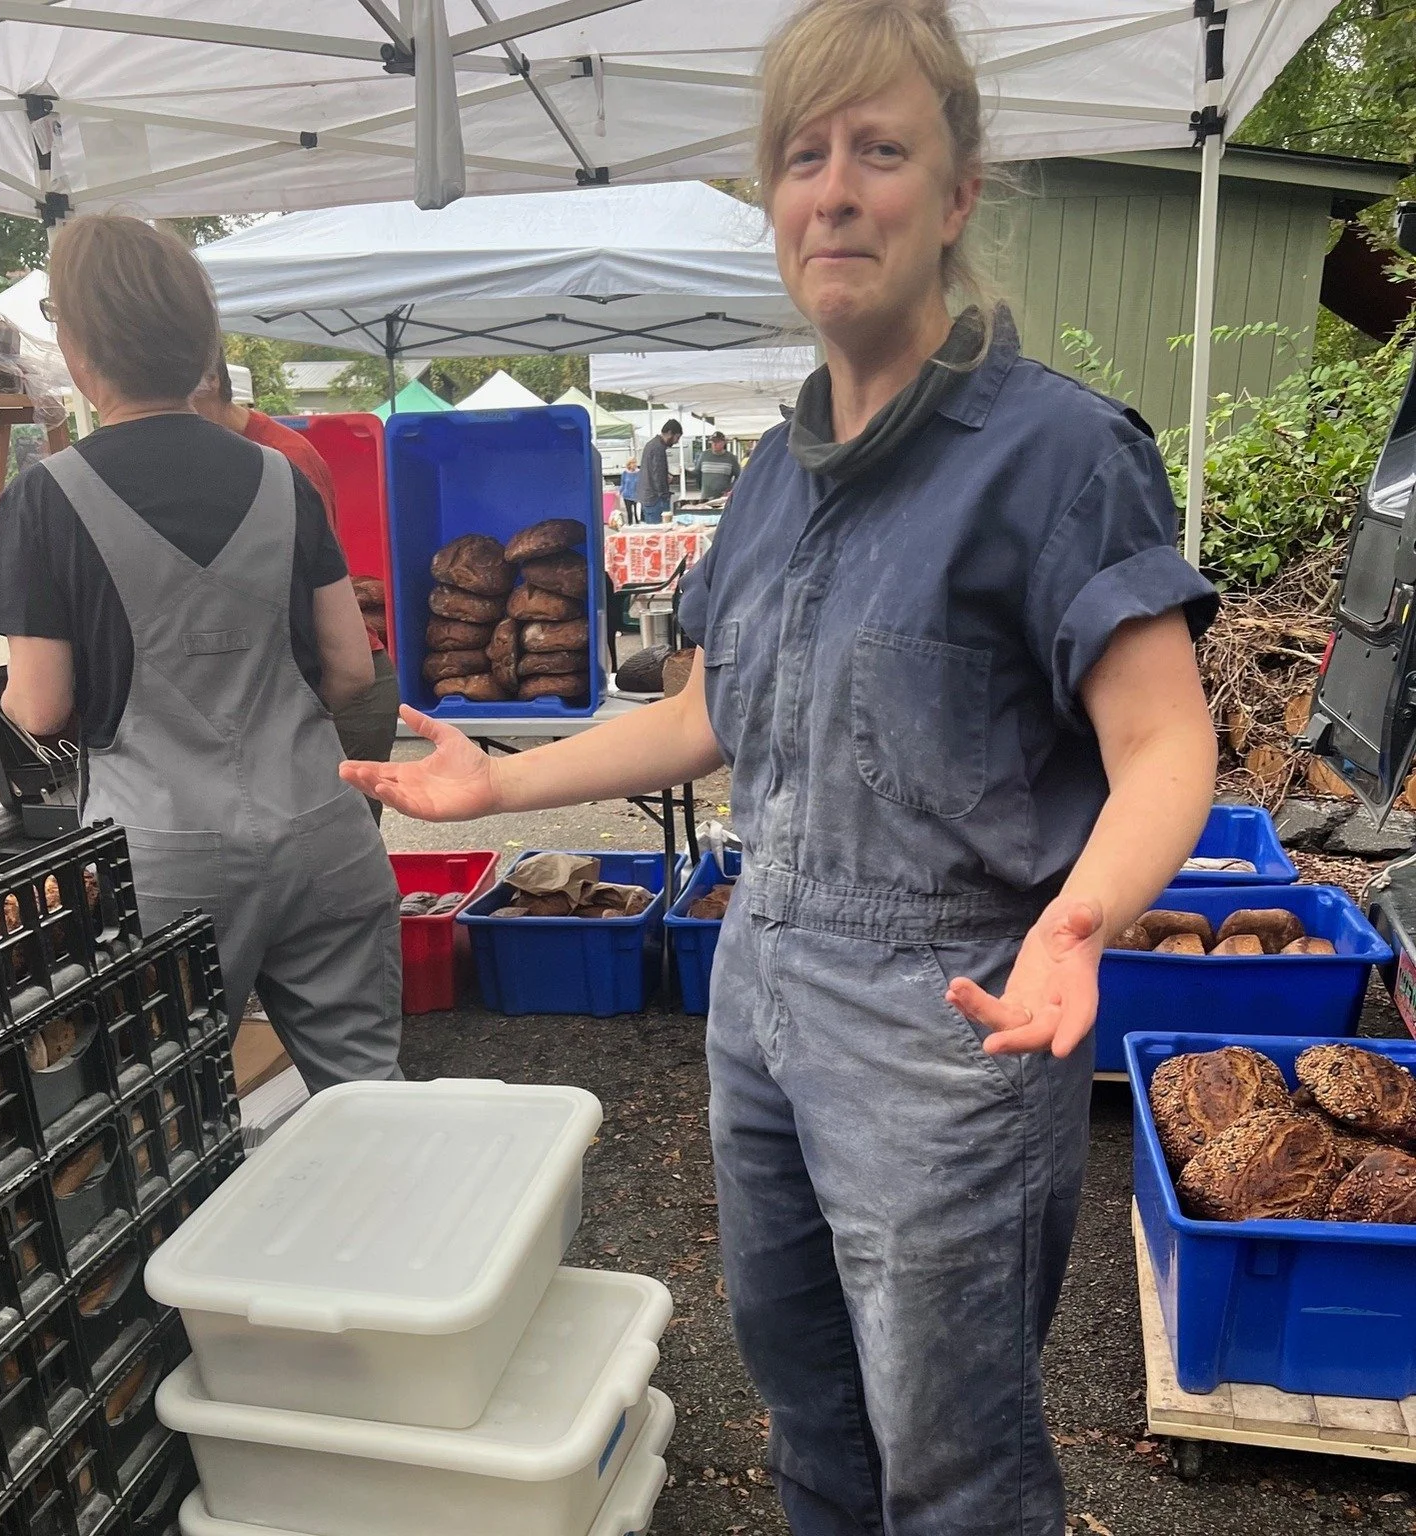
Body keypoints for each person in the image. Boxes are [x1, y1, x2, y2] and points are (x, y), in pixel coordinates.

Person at [344, 0, 1220, 1529]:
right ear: (772, 203)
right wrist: (499, 784)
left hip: (950, 1024)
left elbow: (1165, 741)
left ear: (953, 198)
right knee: (809, 1422)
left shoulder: (1061, 456)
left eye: (881, 149)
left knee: (955, 1466)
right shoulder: (772, 474)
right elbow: (708, 717)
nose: (834, 188)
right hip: (762, 988)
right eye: (801, 156)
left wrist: (1082, 918)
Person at [0, 214, 402, 1096]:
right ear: (201, 342)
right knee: (368, 1089)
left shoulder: (45, 499)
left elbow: (39, 707)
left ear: (79, 345)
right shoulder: (282, 476)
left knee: (174, 1115)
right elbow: (352, 671)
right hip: (324, 832)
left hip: (161, 865)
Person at [192, 350, 401, 824]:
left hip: (338, 691)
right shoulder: (215, 454)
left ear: (205, 381)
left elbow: (295, 603)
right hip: (299, 686)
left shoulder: (282, 461)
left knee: (335, 854)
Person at [637, 419, 681, 523]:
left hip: (649, 496)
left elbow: (652, 470)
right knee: (659, 533)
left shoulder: (651, 444)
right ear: (670, 433)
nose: (677, 441)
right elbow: (658, 475)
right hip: (656, 499)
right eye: (677, 437)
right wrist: (664, 493)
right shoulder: (658, 448)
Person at [693, 430, 741, 500]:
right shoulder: (704, 455)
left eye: (717, 442)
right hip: (706, 498)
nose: (714, 444)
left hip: (723, 498)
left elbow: (739, 476)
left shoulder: (731, 458)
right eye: (713, 442)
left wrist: (731, 489)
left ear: (724, 443)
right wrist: (685, 472)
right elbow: (696, 473)